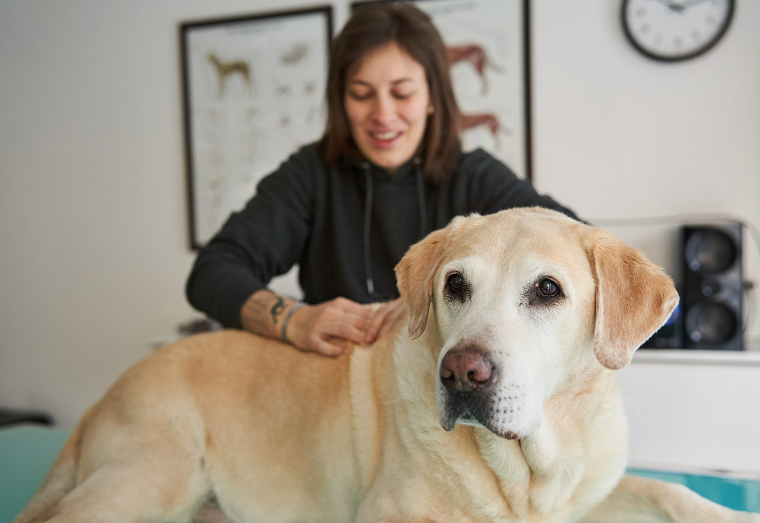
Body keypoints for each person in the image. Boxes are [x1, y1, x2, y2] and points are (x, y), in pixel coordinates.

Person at [186, 2, 578, 358]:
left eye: (402, 93)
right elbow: (212, 271)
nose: (383, 114)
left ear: (431, 97)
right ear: (341, 99)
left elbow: (578, 251)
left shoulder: (475, 177)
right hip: (337, 394)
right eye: (361, 94)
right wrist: (292, 319)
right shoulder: (310, 174)